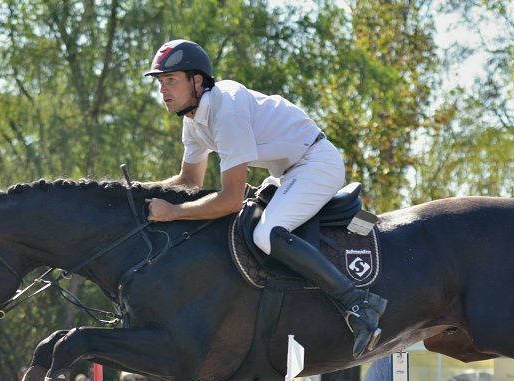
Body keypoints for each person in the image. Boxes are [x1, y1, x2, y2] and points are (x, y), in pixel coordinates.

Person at [142, 39, 386, 359]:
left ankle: (359, 304)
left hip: (316, 163)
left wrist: (173, 212)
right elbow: (189, 180)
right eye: (161, 82)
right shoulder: (194, 120)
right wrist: (140, 192)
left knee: (267, 234)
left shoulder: (225, 112)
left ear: (197, 81)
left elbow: (229, 199)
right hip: (288, 172)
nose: (163, 90)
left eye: (171, 80)